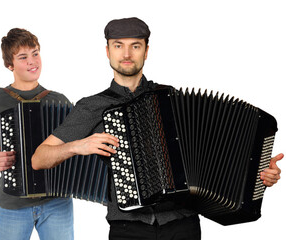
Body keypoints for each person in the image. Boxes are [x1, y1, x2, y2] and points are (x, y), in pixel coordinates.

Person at [31, 17, 283, 240]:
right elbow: (39, 159)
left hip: (182, 226)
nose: (127, 53)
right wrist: (79, 145)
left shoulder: (170, 98)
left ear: (146, 51)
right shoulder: (92, 106)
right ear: (107, 51)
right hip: (128, 228)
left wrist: (258, 175)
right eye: (118, 45)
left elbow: (215, 153)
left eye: (135, 46)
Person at [0, 28, 74, 240]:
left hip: (57, 203)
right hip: (13, 204)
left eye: (35, 53)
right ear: (10, 65)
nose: (32, 61)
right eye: (23, 57)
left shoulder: (60, 101)